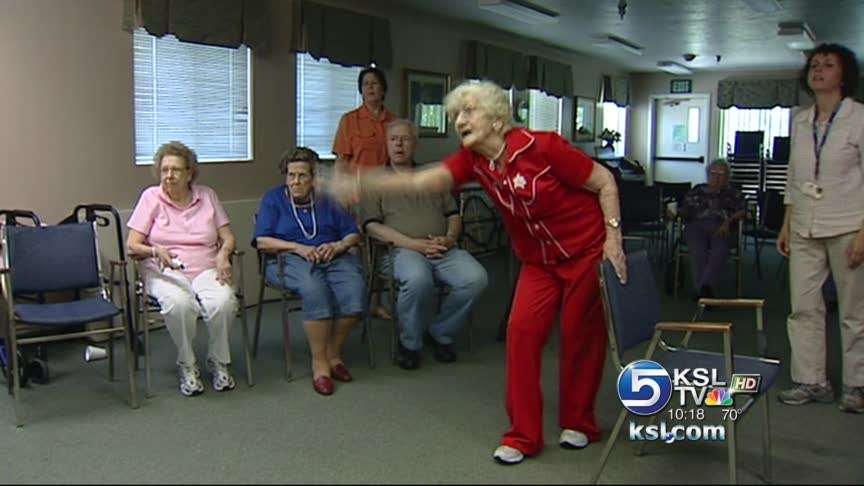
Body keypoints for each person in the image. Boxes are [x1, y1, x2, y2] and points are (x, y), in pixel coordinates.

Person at [329, 81, 627, 464]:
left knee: (579, 335)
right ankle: (523, 435)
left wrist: (613, 239)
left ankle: (579, 422)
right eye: (456, 114)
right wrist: (355, 180)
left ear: (497, 119)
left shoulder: (543, 147)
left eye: (468, 111)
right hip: (539, 261)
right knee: (521, 333)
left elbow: (604, 181)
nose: (459, 120)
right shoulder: (472, 161)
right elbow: (419, 181)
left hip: (584, 250)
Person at [777, 43, 864, 414]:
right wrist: (786, 224)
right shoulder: (800, 119)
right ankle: (812, 380)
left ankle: (857, 385)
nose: (818, 69)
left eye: (828, 64)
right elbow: (794, 176)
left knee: (854, 311)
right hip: (804, 226)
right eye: (814, 64)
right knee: (803, 307)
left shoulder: (859, 117)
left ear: (844, 76)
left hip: (848, 225)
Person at [360, 119, 488, 370]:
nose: (399, 144)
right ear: (386, 144)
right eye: (393, 139)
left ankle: (440, 332)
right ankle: (410, 343)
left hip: (442, 248)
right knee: (418, 280)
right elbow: (371, 226)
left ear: (415, 144)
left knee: (476, 278)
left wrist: (449, 238)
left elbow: (453, 215)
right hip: (400, 250)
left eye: (405, 139)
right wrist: (414, 245)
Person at [127, 141, 238, 397]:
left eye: (175, 170)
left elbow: (228, 237)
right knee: (179, 305)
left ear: (189, 173)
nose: (169, 175)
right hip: (164, 270)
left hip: (206, 267)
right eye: (164, 170)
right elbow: (132, 245)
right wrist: (155, 251)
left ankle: (218, 360)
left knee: (224, 302)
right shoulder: (150, 197)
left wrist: (223, 254)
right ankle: (187, 363)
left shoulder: (207, 196)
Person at [253, 147, 366, 396]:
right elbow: (262, 241)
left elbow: (352, 233)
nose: (295, 181)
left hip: (332, 257)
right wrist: (298, 247)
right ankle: (320, 363)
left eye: (302, 175)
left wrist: (338, 246)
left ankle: (333, 352)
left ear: (313, 178)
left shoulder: (328, 199)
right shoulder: (273, 199)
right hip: (287, 258)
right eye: (291, 175)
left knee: (355, 291)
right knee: (314, 289)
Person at [677, 159, 745, 298]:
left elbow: (744, 211)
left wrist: (728, 221)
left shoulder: (733, 193)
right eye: (713, 173)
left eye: (721, 173)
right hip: (696, 226)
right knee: (698, 251)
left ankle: (702, 289)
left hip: (721, 226)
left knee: (720, 251)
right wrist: (674, 212)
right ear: (708, 174)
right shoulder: (697, 190)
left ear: (727, 176)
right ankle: (705, 290)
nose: (717, 177)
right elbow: (684, 210)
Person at [332, 66, 395, 173]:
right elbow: (341, 161)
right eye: (365, 84)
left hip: (385, 181)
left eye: (374, 83)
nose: (370, 87)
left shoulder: (394, 122)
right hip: (356, 181)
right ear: (361, 91)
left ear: (383, 90)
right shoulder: (349, 120)